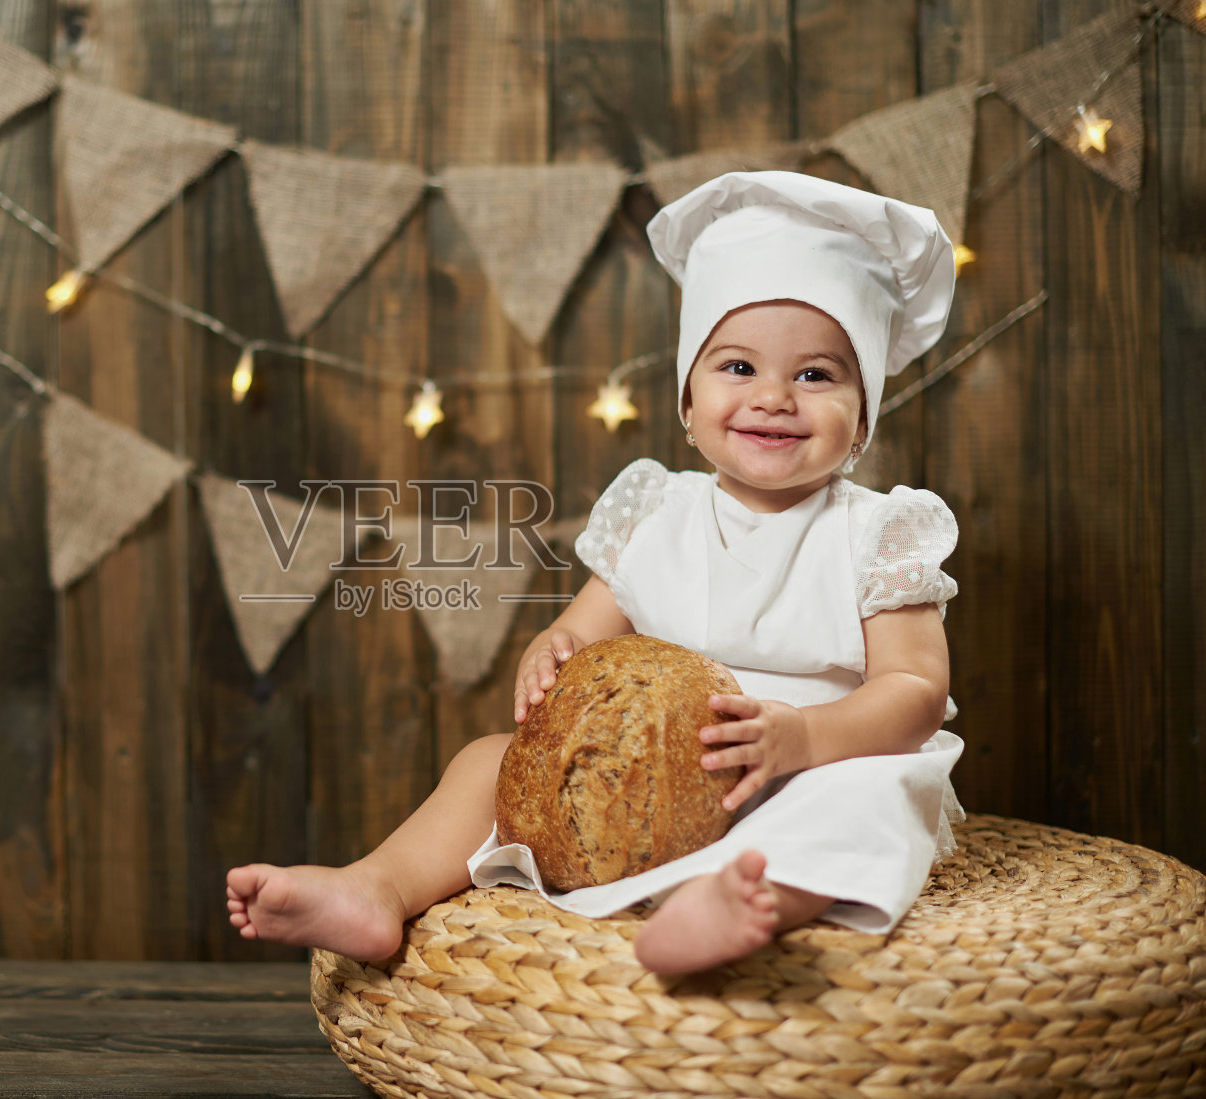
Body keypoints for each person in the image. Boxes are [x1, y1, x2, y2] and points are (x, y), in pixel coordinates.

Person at [226, 170, 965, 975]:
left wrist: (808, 737)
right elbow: (585, 626)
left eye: (817, 374)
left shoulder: (876, 533)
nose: (776, 397)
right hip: (644, 775)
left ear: (864, 413)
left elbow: (915, 692)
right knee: (487, 763)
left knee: (860, 809)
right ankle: (376, 886)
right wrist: (552, 648)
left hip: (816, 764)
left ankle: (735, 904)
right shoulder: (656, 513)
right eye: (738, 368)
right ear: (687, 399)